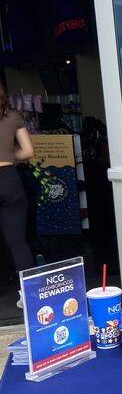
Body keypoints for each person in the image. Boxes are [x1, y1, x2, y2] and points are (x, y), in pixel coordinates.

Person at [0, 84, 35, 308]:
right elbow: (29, 151)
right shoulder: (13, 116)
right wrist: (10, 155)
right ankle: (27, 295)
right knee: (18, 242)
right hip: (9, 179)